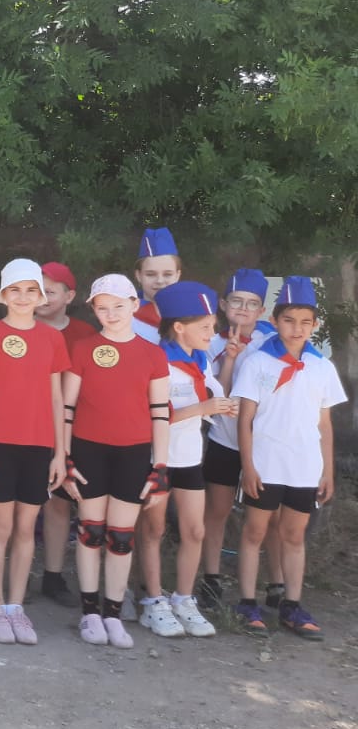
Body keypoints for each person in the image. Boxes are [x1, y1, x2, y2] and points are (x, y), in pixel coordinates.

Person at [58, 275, 172, 648]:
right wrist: (65, 457)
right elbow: (67, 408)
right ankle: (90, 612)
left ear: (134, 305)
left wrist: (160, 468)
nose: (111, 314)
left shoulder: (153, 354)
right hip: (88, 450)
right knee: (90, 532)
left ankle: (113, 613)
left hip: (134, 452)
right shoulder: (82, 348)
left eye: (119, 306)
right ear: (93, 309)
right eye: (102, 307)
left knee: (121, 537)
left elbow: (160, 413)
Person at [233, 276, 345, 641]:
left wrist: (327, 470)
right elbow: (245, 419)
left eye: (305, 322)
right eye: (289, 320)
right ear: (275, 320)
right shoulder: (258, 362)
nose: (297, 328)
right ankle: (247, 603)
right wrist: (248, 466)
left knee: (294, 535)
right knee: (255, 531)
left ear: (315, 325)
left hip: (304, 467)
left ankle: (292, 605)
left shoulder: (322, 367)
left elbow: (325, 424)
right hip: (265, 463)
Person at [0, 258, 68, 645]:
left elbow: (57, 399)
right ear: (3, 294)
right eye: (15, 290)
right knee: (1, 527)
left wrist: (60, 454)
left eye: (30, 290)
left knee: (27, 529)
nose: (23, 297)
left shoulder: (52, 338)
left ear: (40, 295)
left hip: (40, 446)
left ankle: (16, 607)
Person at [154, 281, 233, 638]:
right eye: (205, 326)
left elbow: (213, 397)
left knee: (195, 530)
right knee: (152, 530)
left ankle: (183, 599)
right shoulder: (160, 361)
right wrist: (203, 408)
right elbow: (154, 415)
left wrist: (226, 406)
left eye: (212, 325)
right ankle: (152, 599)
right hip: (158, 457)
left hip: (188, 458)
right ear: (179, 327)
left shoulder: (201, 361)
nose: (211, 333)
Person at [199, 268, 276, 609]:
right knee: (217, 510)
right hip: (225, 439)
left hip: (265, 445)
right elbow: (221, 397)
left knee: (269, 517)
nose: (243, 309)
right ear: (222, 304)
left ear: (262, 310)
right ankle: (212, 577)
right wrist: (229, 359)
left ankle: (276, 583)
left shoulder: (272, 343)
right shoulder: (210, 342)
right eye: (236, 301)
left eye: (252, 303)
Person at [35, 261, 99, 608]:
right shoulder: (19, 327)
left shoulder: (85, 334)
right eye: (38, 290)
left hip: (75, 429)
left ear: (69, 296)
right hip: (29, 427)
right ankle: (17, 578)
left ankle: (55, 575)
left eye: (51, 291)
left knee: (63, 502)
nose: (43, 297)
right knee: (25, 506)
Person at [132, 227, 182, 344]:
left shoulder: (193, 313)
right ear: (138, 275)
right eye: (150, 274)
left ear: (177, 275)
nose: (159, 281)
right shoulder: (125, 317)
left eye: (167, 274)